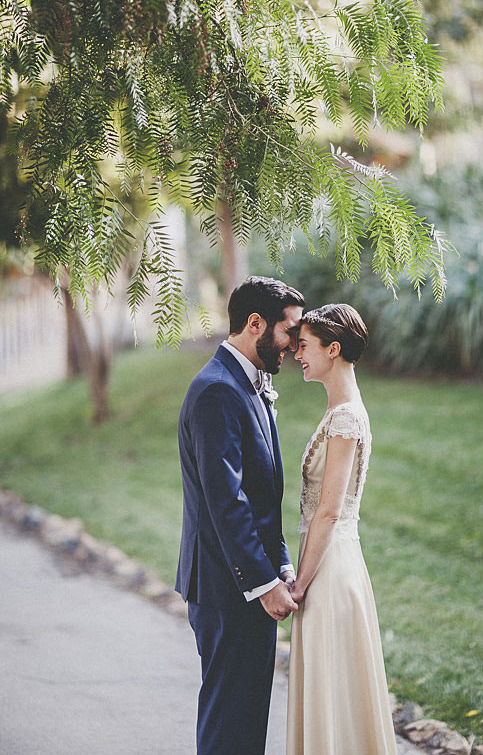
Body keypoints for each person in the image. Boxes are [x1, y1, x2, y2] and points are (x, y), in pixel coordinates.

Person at [175, 276, 304, 755]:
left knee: (246, 722)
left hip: (246, 585)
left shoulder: (248, 385)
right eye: (290, 331)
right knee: (229, 724)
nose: (295, 344)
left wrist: (282, 564)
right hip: (227, 589)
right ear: (256, 324)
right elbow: (225, 500)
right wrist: (264, 582)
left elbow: (262, 496)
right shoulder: (216, 391)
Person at [286, 303, 398, 755]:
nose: (297, 354)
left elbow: (329, 512)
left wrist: (299, 586)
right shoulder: (340, 413)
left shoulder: (346, 418)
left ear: (333, 349)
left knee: (334, 693)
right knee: (334, 693)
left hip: (329, 571)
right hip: (331, 562)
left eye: (305, 346)